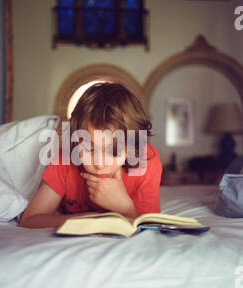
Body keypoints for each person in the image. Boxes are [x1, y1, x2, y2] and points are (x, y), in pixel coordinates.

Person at [19, 82, 162, 229]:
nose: (99, 164)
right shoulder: (66, 158)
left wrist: (125, 208)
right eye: (89, 149)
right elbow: (29, 220)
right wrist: (92, 219)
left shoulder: (147, 160)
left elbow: (149, 228)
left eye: (113, 150)